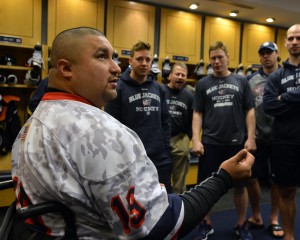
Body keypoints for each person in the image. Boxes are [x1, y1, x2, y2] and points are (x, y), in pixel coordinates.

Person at [10, 26, 255, 240]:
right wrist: (223, 178)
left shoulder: (33, 122)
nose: (117, 67)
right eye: (102, 57)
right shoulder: (96, 130)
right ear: (66, 68)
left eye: (114, 58)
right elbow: (160, 226)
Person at [192, 41, 256, 240]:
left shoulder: (241, 81)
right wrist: (196, 138)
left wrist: (251, 137)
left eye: (220, 57)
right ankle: (206, 224)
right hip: (210, 143)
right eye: (213, 58)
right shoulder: (203, 83)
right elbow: (197, 114)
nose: (217, 61)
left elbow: (250, 111)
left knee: (240, 187)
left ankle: (240, 224)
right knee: (206, 187)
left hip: (236, 143)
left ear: (228, 57)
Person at [105, 41, 173, 193]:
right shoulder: (119, 87)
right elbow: (111, 125)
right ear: (130, 61)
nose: (144, 63)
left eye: (148, 60)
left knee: (164, 199)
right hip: (131, 159)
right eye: (139, 59)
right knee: (137, 203)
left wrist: (166, 150)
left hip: (159, 158)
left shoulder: (158, 88)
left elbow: (165, 121)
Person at [263, 24, 300, 240]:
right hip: (284, 142)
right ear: (285, 43)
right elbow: (269, 106)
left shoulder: (279, 85)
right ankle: (289, 236)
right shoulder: (276, 76)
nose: (295, 42)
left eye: (298, 38)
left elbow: (278, 103)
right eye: (291, 38)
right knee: (286, 191)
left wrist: (285, 97)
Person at [246, 41, 284, 238]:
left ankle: (274, 219)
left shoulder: (286, 77)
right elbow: (247, 109)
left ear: (277, 54)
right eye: (262, 54)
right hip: (258, 137)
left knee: (277, 180)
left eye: (269, 53)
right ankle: (257, 215)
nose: (266, 57)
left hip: (281, 137)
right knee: (252, 178)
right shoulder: (250, 79)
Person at [162, 62, 193, 193]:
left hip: (180, 139)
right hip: (161, 139)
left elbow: (193, 119)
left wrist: (187, 138)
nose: (180, 77)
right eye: (177, 74)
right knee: (161, 178)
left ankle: (179, 206)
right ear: (170, 76)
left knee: (179, 182)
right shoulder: (160, 91)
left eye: (183, 75)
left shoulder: (189, 95)